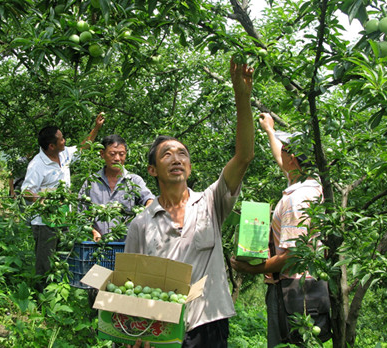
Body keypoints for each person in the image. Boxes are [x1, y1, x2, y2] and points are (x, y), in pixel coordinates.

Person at [125, 58, 255, 348]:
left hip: (208, 323)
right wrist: (138, 330)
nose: (176, 158)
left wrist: (242, 98)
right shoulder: (141, 224)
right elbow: (130, 283)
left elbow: (244, 156)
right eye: (167, 154)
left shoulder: (210, 203)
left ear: (190, 166)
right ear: (152, 170)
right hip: (160, 325)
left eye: (182, 153)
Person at [230, 112, 323, 347]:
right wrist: (270, 130)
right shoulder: (309, 185)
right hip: (307, 286)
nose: (279, 151)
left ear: (292, 158)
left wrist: (254, 269)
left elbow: (293, 255)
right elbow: (281, 160)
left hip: (293, 291)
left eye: (284, 148)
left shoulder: (297, 200)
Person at [22, 112, 105, 292]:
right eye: (61, 139)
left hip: (63, 215)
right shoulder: (37, 165)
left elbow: (83, 148)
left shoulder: (64, 154)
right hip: (44, 220)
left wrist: (96, 127)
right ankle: (40, 297)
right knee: (45, 260)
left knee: (62, 255)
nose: (64, 140)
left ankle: (58, 290)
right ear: (51, 145)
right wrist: (44, 201)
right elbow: (26, 191)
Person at [79, 134, 155, 242]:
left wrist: (146, 211)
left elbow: (149, 199)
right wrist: (92, 231)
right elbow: (81, 214)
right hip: (97, 245)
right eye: (112, 154)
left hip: (127, 246)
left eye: (121, 154)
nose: (117, 158)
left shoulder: (133, 181)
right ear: (102, 154)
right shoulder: (91, 182)